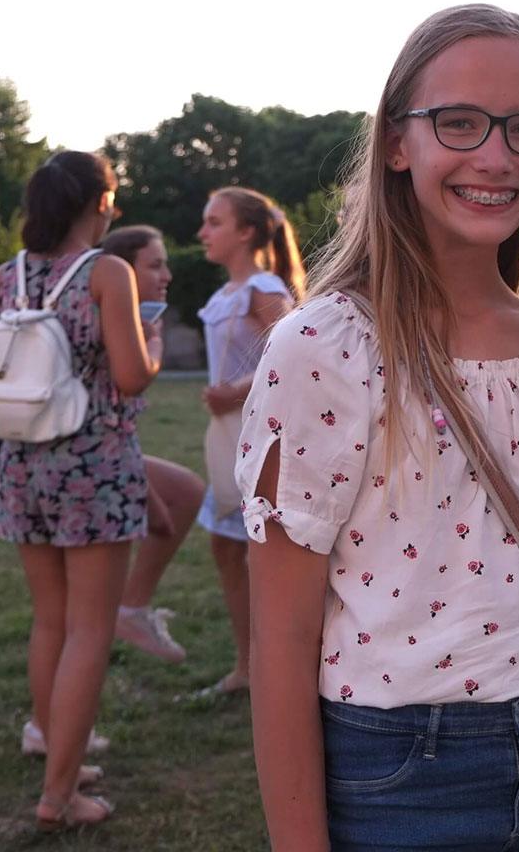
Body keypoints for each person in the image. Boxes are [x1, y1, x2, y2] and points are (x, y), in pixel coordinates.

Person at [236, 4, 519, 851]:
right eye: (459, 122)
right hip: (402, 775)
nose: (495, 156)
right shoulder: (327, 348)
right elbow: (282, 637)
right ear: (396, 143)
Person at [0, 150, 163, 829]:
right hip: (95, 469)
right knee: (90, 630)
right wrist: (153, 343)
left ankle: (57, 755)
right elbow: (131, 376)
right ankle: (58, 796)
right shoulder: (107, 273)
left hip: (22, 470)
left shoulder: (4, 276)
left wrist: (13, 428)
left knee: (50, 622)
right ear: (99, 204)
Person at [194, 186, 303, 697]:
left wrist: (233, 390)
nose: (203, 232)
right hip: (230, 432)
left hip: (259, 436)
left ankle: (277, 668)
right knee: (226, 546)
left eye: (214, 222)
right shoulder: (227, 293)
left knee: (262, 553)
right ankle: (247, 664)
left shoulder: (263, 288)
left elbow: (296, 355)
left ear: (246, 233)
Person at [97, 224, 207, 664]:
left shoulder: (129, 318)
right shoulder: (108, 318)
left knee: (184, 493)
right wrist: (154, 343)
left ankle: (131, 608)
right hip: (92, 460)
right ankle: (117, 616)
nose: (167, 276)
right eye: (155, 265)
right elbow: (133, 380)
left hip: (111, 451)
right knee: (79, 611)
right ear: (122, 271)